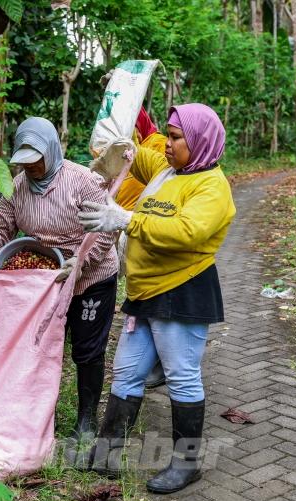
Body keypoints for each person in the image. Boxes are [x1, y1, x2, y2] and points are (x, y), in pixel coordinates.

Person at [78, 103, 236, 494]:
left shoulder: (211, 187)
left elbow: (188, 231)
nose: (168, 143)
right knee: (127, 370)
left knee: (181, 376)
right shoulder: (169, 170)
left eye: (177, 137)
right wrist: (126, 117)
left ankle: (187, 464)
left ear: (199, 141)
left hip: (182, 291)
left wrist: (128, 220)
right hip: (145, 292)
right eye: (167, 134)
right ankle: (107, 453)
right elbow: (139, 153)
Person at [0, 117, 119, 441]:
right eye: (25, 162)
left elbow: (107, 228)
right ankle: (35, 415)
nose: (31, 168)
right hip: (45, 280)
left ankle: (86, 419)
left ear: (52, 151)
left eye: (37, 160)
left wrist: (80, 262)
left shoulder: (82, 180)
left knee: (87, 350)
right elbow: (2, 227)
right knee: (41, 347)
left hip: (91, 277)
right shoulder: (17, 187)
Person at [115, 107, 169, 390]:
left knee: (156, 299)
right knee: (136, 294)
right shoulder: (121, 145)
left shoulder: (157, 146)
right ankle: (144, 360)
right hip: (121, 224)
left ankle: (161, 362)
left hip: (146, 226)